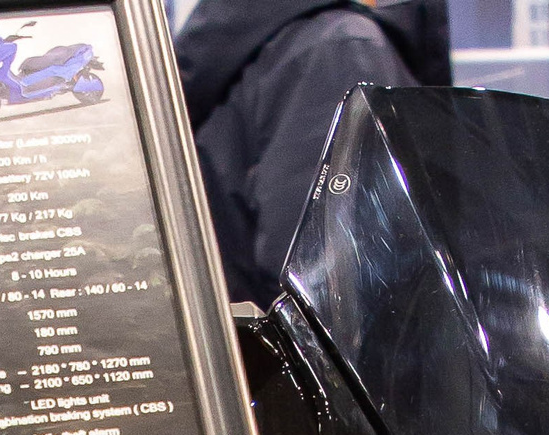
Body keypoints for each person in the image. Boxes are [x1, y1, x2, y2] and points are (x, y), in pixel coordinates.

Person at [175, 0, 450, 306]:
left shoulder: (281, 48)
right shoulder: (340, 47)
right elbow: (325, 289)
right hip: (286, 332)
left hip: (237, 327)